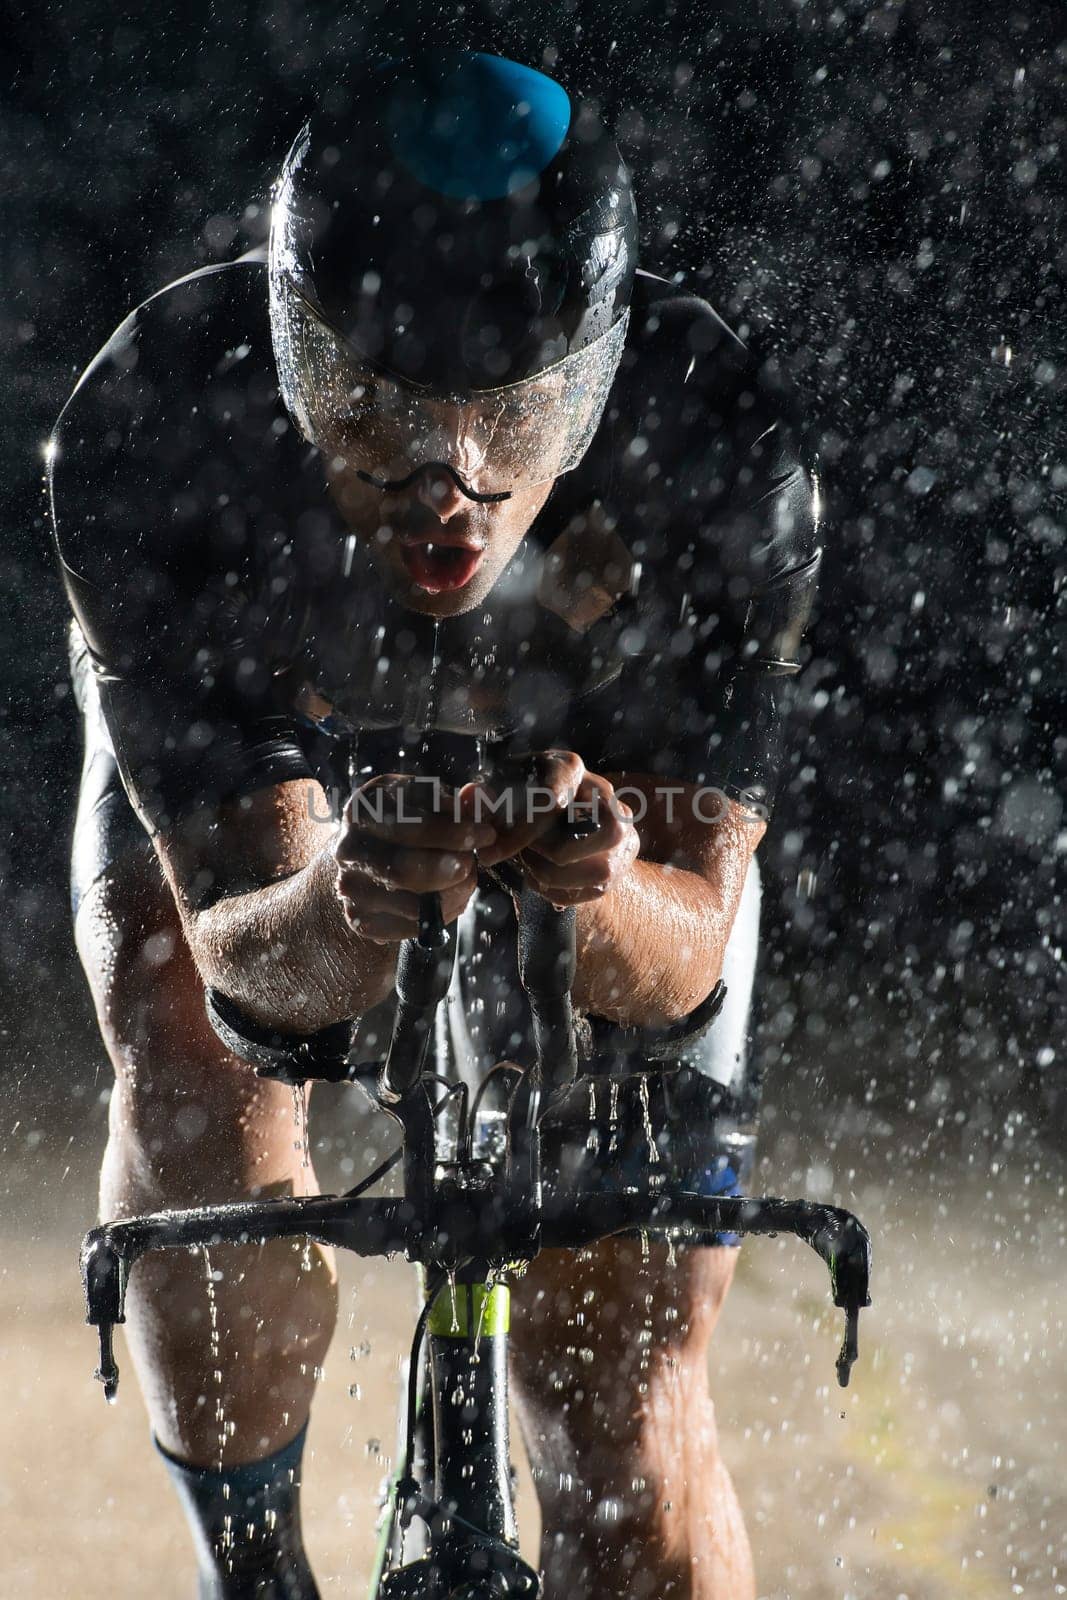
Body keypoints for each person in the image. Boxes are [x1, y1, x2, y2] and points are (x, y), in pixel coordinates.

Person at [49, 49, 820, 1600]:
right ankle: (250, 1565)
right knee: (184, 1042)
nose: (442, 491)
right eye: (366, 408)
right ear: (285, 356)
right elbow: (243, 968)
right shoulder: (159, 419)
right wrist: (341, 904)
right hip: (291, 799)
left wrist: (595, 899)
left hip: (564, 762)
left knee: (620, 1412)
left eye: (508, 417)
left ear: (593, 387)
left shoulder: (720, 444)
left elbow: (676, 974)